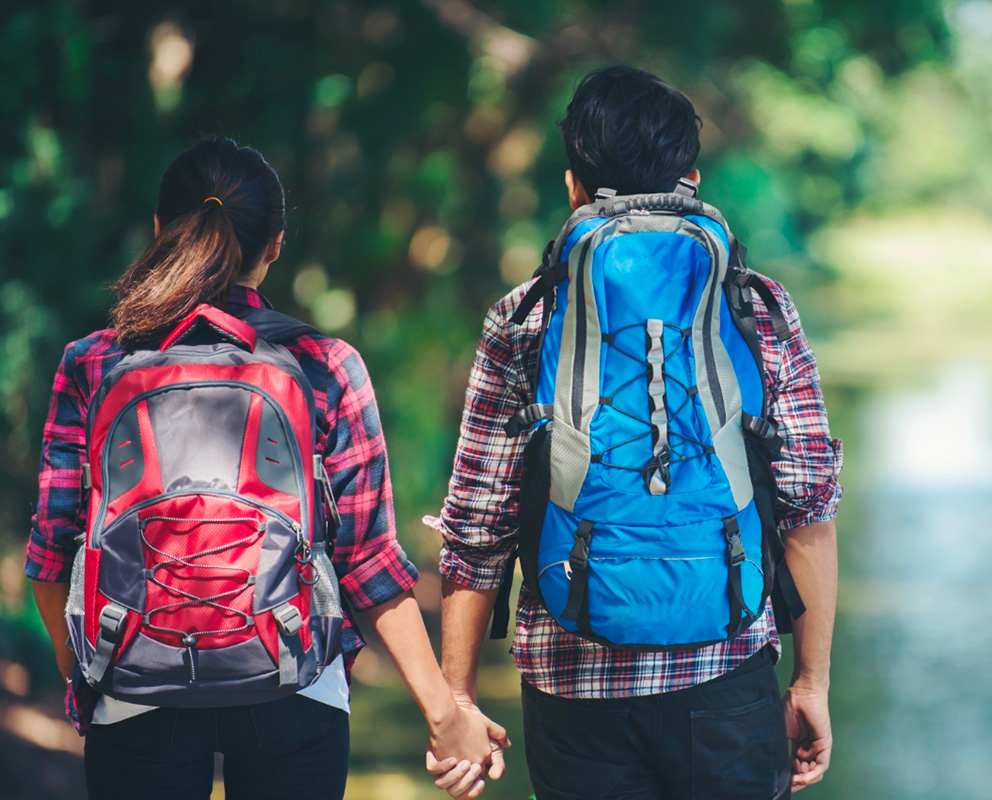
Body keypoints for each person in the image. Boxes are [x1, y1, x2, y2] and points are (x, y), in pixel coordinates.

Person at [26, 136, 498, 800]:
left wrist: (83, 673)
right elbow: (369, 564)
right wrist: (447, 714)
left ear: (159, 231)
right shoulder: (326, 365)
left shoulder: (94, 363)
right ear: (274, 245)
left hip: (133, 676)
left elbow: (52, 548)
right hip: (293, 678)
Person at [427, 66, 843, 799]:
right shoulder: (759, 306)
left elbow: (477, 524)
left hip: (572, 680)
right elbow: (807, 506)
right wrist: (811, 681)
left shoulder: (524, 318)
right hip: (726, 672)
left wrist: (456, 699)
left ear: (572, 186)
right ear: (692, 177)